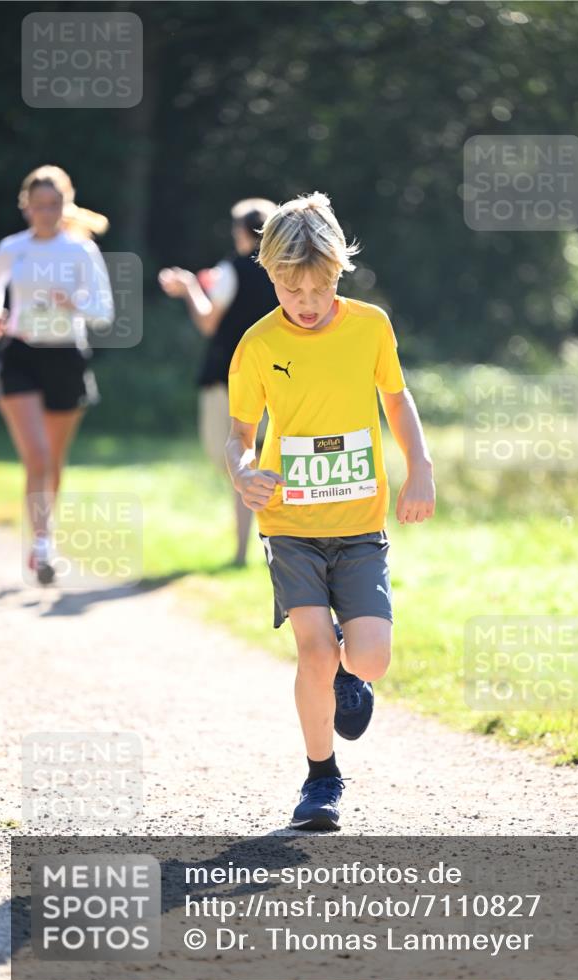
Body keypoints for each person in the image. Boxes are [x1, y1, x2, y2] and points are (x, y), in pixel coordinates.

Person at [225, 192, 436, 830]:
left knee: (369, 659)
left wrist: (419, 467)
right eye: (292, 291)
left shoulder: (370, 326)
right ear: (270, 276)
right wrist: (243, 473)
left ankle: (353, 672)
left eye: (318, 288)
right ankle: (322, 779)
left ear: (339, 269)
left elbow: (397, 403)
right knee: (313, 651)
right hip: (290, 527)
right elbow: (239, 433)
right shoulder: (257, 345)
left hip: (359, 526)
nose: (307, 303)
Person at [0, 165, 114, 584]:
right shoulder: (12, 247)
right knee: (38, 457)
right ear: (25, 207)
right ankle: (42, 547)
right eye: (38, 205)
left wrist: (73, 303)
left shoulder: (81, 252)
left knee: (53, 463)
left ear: (65, 205)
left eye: (54, 205)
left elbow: (104, 312)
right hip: (20, 354)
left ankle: (44, 537)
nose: (45, 213)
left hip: (66, 358)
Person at [158, 198, 277, 566]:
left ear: (242, 232)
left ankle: (243, 551)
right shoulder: (284, 270)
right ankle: (269, 547)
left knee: (234, 460)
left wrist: (191, 287)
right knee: (264, 463)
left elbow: (209, 322)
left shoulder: (232, 269)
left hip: (232, 378)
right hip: (279, 378)